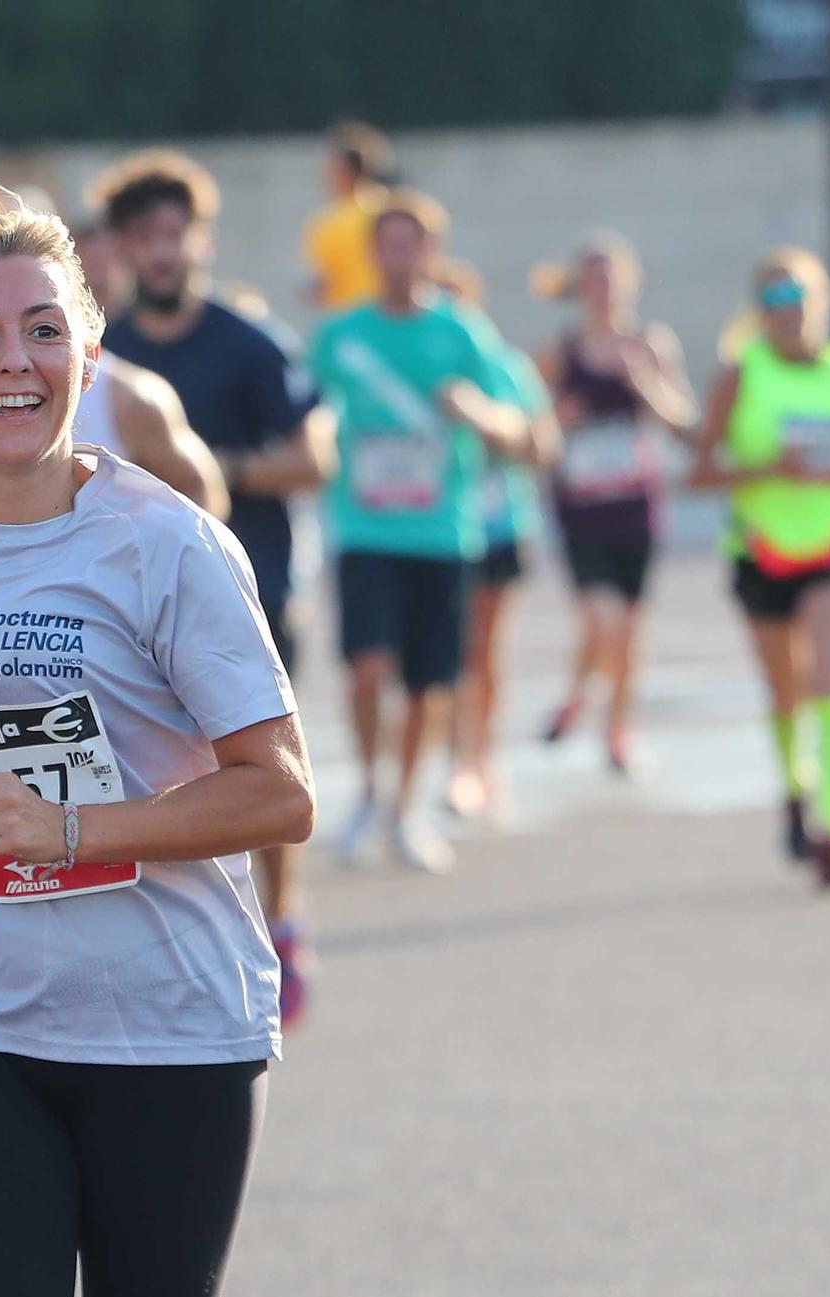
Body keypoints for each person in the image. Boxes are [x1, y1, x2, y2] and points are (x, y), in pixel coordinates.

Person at [0, 202, 314, 1297]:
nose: (15, 361)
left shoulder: (170, 547)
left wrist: (72, 830)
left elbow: (279, 796)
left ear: (87, 354)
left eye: (44, 330)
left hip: (165, 1025)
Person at [93, 149, 332, 1027]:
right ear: (119, 247)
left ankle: (283, 922)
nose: (162, 252)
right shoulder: (94, 356)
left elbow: (313, 458)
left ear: (201, 239)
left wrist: (202, 475)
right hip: (121, 614)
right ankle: (165, 936)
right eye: (144, 236)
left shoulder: (251, 343)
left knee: (259, 775)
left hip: (247, 595)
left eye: (175, 234)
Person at [309, 191, 530, 874]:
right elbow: (302, 412)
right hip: (365, 526)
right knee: (369, 667)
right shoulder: (340, 336)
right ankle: (370, 789)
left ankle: (406, 807)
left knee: (431, 683)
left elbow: (519, 428)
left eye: (414, 244)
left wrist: (475, 411)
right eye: (389, 244)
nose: (401, 258)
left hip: (443, 532)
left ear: (432, 253)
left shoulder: (463, 333)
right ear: (374, 253)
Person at [688, 248, 830, 888]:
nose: (787, 314)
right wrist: (771, 469)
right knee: (785, 689)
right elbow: (700, 474)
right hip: (762, 548)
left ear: (825, 301)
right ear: (757, 313)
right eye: (772, 303)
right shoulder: (740, 375)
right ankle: (794, 787)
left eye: (798, 299)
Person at [533, 236, 699, 772]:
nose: (601, 291)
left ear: (629, 283)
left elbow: (682, 423)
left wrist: (645, 384)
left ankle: (617, 726)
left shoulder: (651, 344)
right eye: (591, 280)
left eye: (610, 279)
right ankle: (582, 692)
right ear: (578, 288)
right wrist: (561, 420)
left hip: (635, 504)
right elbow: (533, 432)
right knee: (599, 618)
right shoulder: (560, 350)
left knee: (629, 625)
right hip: (581, 507)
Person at [432, 266, 563, 820]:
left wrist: (492, 430)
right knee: (442, 654)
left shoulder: (504, 367)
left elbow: (543, 445)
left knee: (482, 653)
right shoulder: (407, 368)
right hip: (431, 530)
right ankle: (453, 759)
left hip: (498, 525)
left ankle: (479, 759)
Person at [0, 348, 227, 522]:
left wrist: (155, 578)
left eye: (43, 329)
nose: (14, 360)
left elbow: (199, 492)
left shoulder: (130, 396)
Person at [300, 121, 393, 316]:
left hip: (349, 320)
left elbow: (324, 281)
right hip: (390, 316)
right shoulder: (392, 209)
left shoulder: (330, 222)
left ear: (343, 171)